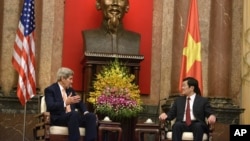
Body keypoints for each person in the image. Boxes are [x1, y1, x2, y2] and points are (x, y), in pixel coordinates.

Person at [44, 67, 97, 141]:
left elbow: (80, 103)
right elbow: (50, 106)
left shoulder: (70, 90)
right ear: (63, 78)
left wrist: (85, 112)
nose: (72, 82)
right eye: (70, 79)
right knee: (73, 114)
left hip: (73, 118)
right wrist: (65, 103)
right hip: (59, 119)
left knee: (91, 116)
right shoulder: (50, 90)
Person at [159, 77, 216, 141]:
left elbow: (209, 112)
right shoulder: (178, 101)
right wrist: (165, 115)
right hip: (182, 123)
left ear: (192, 88)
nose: (182, 88)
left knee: (198, 126)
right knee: (176, 125)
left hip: (197, 123)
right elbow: (171, 113)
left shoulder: (202, 101)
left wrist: (212, 116)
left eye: (184, 86)